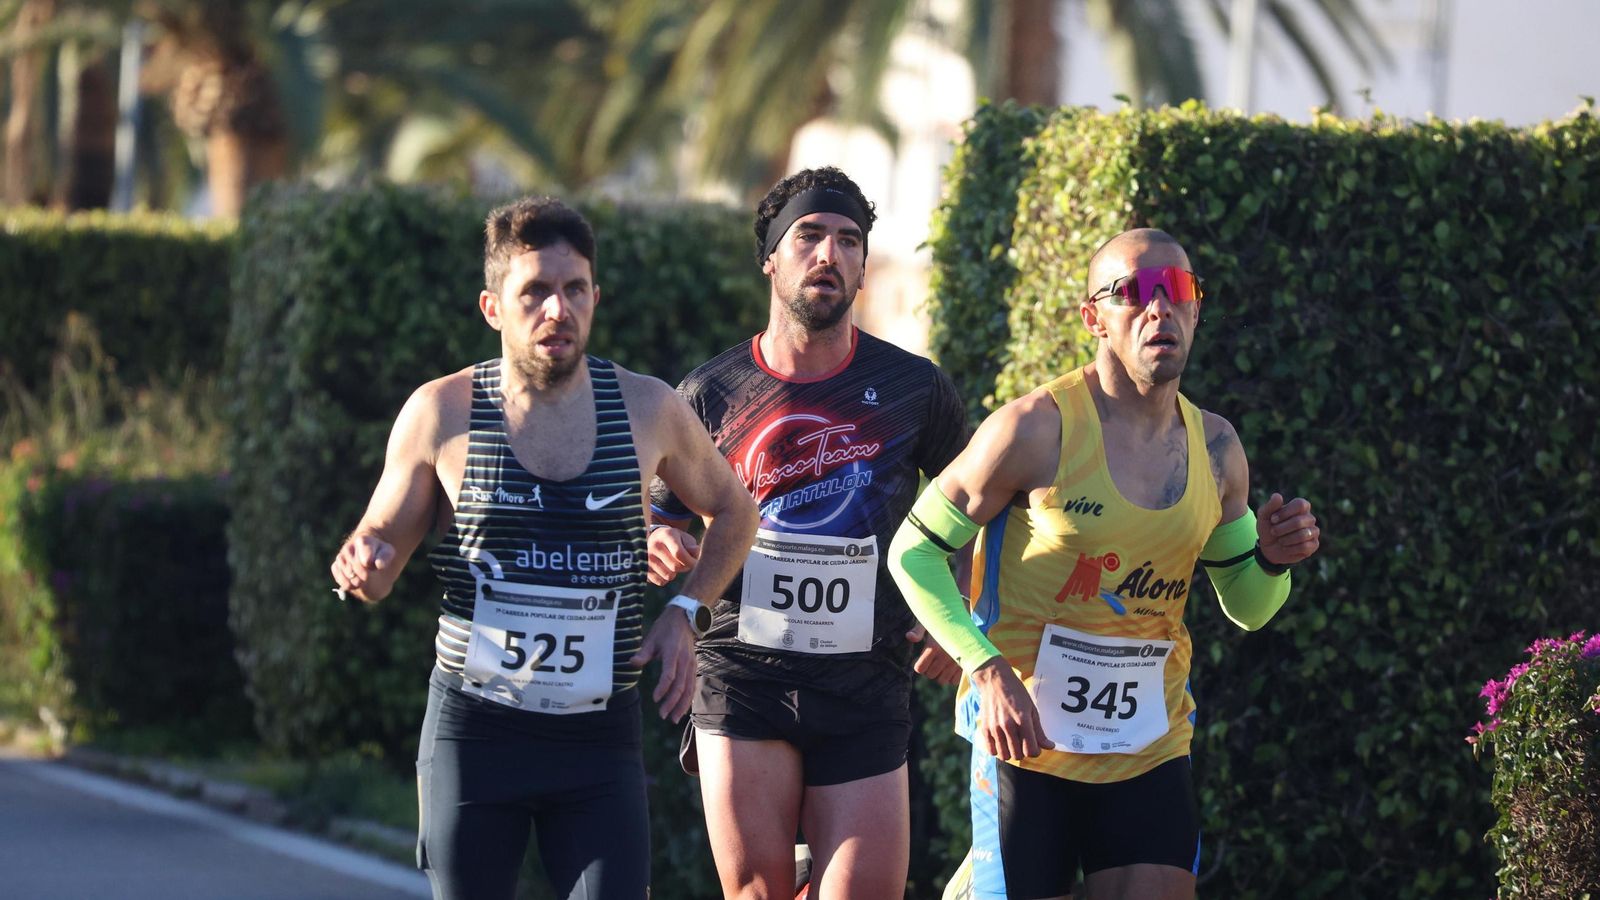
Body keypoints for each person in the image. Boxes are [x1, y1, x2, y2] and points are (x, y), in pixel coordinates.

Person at [328, 196, 758, 900]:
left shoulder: (648, 408)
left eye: (574, 289)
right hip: (476, 733)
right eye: (534, 292)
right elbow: (378, 553)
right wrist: (361, 563)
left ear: (595, 298)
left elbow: (735, 510)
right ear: (493, 307)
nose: (558, 310)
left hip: (597, 738)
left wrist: (687, 611)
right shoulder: (443, 413)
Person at [889, 228, 1321, 900]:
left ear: (1197, 311)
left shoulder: (1217, 449)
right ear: (1093, 317)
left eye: (1177, 290)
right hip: (1027, 740)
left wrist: (1271, 560)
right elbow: (913, 552)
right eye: (1134, 292)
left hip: (1148, 744)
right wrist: (985, 668)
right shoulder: (1033, 429)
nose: (1159, 308)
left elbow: (1249, 606)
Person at [648, 166, 970, 898]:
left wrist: (957, 603)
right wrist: (659, 541)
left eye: (849, 241)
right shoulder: (711, 393)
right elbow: (660, 515)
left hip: (866, 674)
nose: (829, 254)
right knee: (757, 892)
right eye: (810, 235)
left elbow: (976, 504)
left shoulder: (915, 388)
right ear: (771, 257)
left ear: (863, 267)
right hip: (743, 669)